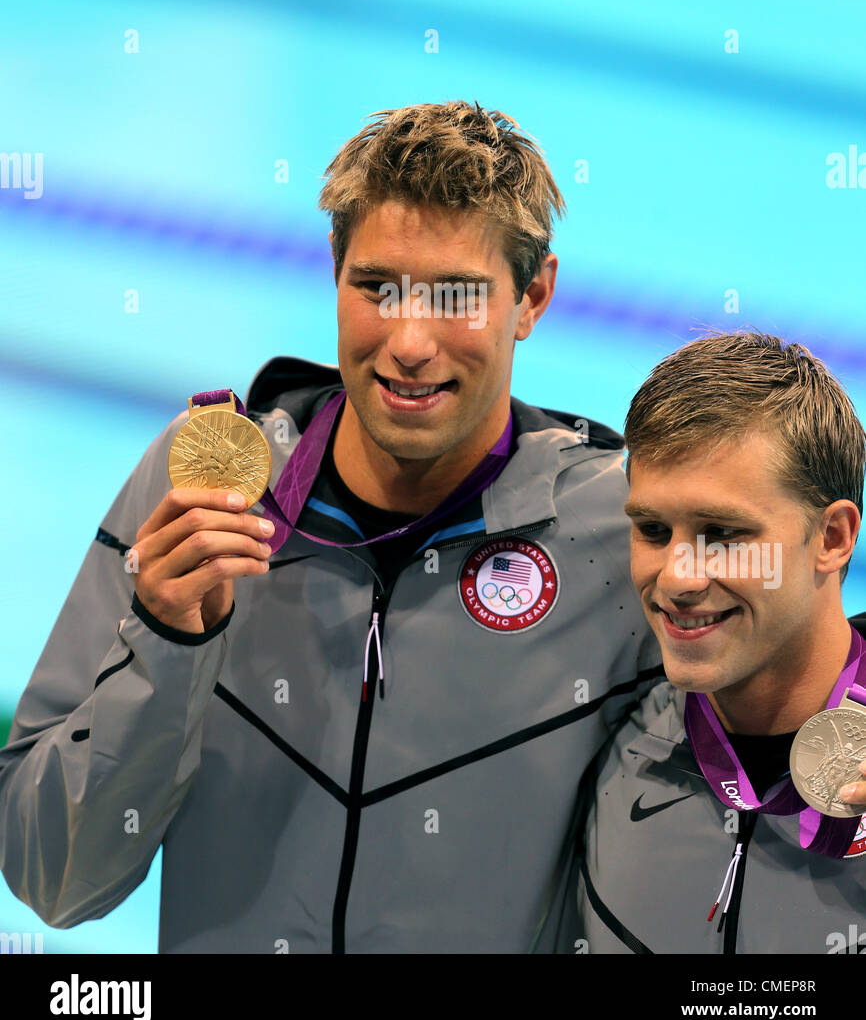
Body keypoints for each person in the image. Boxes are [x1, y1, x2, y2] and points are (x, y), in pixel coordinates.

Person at [0, 100, 663, 954]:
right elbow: (51, 878)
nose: (409, 342)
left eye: (457, 295)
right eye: (376, 287)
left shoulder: (620, 536)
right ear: (333, 270)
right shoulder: (204, 486)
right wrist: (168, 643)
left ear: (532, 296)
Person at [544, 331, 866, 955]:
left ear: (831, 537)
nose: (677, 579)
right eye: (653, 529)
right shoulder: (606, 735)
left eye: (723, 533)